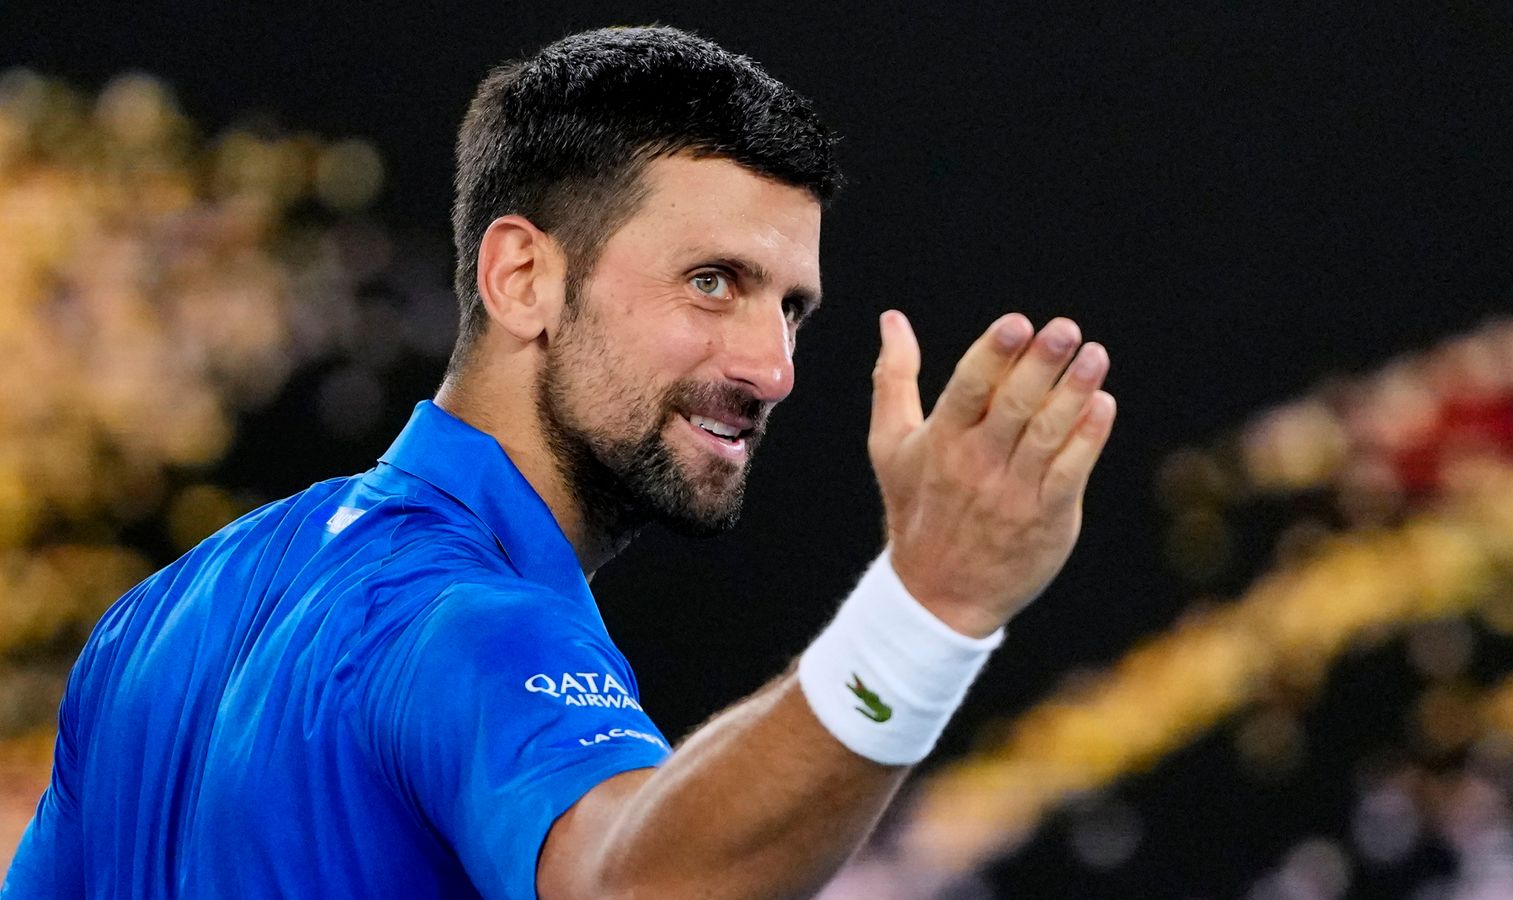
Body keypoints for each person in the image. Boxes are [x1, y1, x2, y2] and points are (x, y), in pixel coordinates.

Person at [3, 25, 1115, 900]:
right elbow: (640, 883)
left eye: (793, 309)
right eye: (713, 281)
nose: (772, 369)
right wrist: (928, 611)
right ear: (522, 277)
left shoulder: (156, 616)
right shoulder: (467, 624)